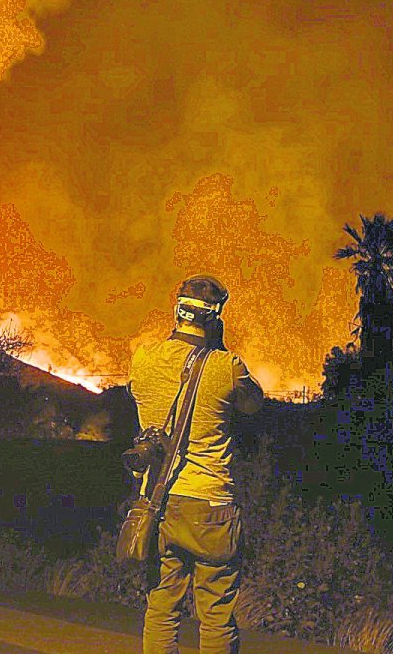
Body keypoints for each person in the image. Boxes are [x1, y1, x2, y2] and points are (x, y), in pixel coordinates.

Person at [128, 274, 264, 654]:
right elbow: (254, 404)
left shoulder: (142, 358)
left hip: (160, 502)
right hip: (210, 507)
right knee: (216, 615)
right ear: (215, 317)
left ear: (177, 311)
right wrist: (215, 347)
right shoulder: (226, 366)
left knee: (161, 609)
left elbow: (137, 394)